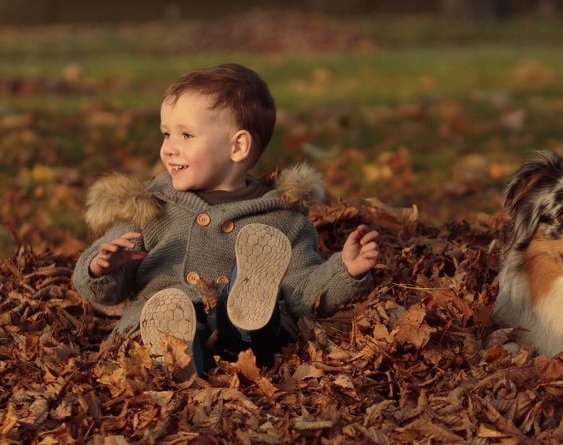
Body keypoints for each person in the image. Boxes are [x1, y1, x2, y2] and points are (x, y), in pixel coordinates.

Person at [73, 63, 379, 376]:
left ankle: (245, 313)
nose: (168, 149)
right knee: (167, 319)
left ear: (238, 146)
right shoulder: (151, 207)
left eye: (186, 135)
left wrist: (345, 270)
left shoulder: (281, 218)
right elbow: (103, 292)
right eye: (166, 134)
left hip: (249, 343)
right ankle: (177, 358)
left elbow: (302, 293)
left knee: (261, 315)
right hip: (164, 312)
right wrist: (102, 267)